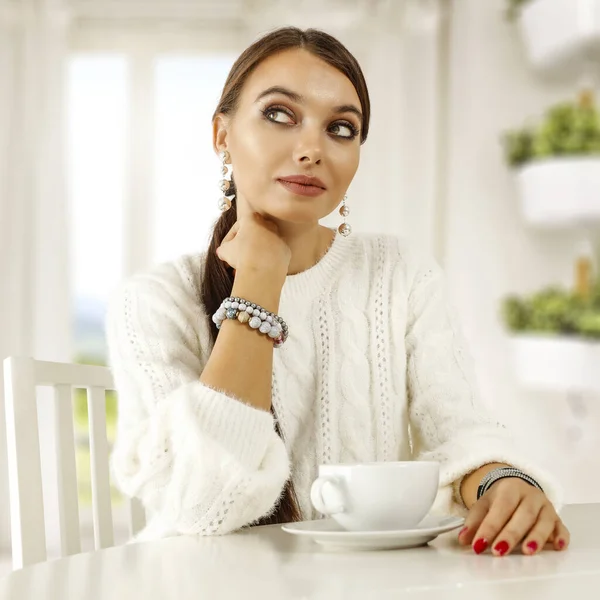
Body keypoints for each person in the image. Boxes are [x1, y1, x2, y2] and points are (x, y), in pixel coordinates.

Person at [106, 26, 570, 557]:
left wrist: (499, 482)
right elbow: (203, 505)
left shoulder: (401, 273)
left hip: (365, 581)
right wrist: (258, 282)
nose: (311, 149)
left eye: (341, 128)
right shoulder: (154, 300)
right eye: (280, 114)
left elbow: (461, 428)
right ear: (222, 135)